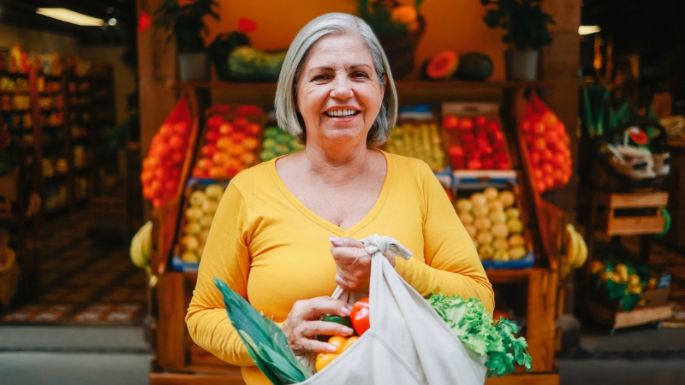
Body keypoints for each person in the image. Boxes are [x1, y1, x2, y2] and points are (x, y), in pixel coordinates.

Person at [186, 12, 494, 385]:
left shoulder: (417, 180)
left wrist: (391, 271)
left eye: (359, 74)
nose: (343, 90)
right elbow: (204, 315)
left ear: (381, 90)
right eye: (322, 76)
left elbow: (478, 299)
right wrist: (277, 337)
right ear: (296, 91)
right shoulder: (249, 191)